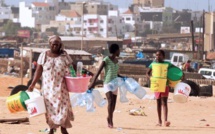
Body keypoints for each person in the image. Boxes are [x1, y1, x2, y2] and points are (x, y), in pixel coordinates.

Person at [28, 35, 74, 134]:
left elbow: (72, 68)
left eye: (57, 45)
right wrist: (32, 84)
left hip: (62, 89)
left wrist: (75, 78)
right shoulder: (44, 55)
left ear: (60, 45)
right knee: (50, 110)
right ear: (49, 44)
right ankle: (52, 129)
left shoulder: (64, 55)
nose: (55, 46)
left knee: (63, 109)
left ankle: (63, 128)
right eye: (53, 44)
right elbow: (38, 71)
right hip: (48, 90)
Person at [88, 44, 124, 128]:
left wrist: (123, 77)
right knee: (110, 101)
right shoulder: (106, 59)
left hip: (115, 84)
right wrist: (93, 83)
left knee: (114, 105)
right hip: (108, 83)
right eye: (119, 50)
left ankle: (109, 117)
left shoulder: (116, 61)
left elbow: (115, 73)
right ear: (115, 50)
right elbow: (98, 72)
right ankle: (111, 121)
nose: (119, 52)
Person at [146, 50, 171, 127]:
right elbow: (147, 73)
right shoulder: (153, 64)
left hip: (165, 84)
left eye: (159, 55)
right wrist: (150, 78)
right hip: (156, 84)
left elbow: (174, 71)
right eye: (156, 55)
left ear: (163, 56)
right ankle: (159, 121)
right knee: (158, 103)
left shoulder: (168, 64)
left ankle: (165, 120)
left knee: (164, 102)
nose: (158, 56)